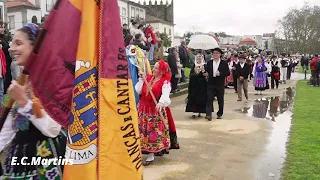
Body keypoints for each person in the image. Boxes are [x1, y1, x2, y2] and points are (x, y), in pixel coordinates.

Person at [0, 23, 66, 179]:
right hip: (17, 160)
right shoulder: (18, 84)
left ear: (35, 48)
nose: (11, 48)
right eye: (12, 43)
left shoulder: (52, 82)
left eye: (19, 43)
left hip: (44, 159)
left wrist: (24, 102)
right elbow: (8, 129)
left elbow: (52, 129)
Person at [135, 60, 179, 166]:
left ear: (162, 71)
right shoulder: (148, 78)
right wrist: (141, 79)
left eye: (156, 68)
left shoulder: (165, 82)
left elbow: (165, 95)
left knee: (152, 133)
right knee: (142, 131)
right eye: (154, 67)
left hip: (154, 111)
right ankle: (141, 150)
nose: (154, 69)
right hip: (143, 109)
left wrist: (161, 103)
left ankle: (151, 155)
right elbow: (138, 90)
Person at [204, 47, 230, 120]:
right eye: (214, 53)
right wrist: (205, 73)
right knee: (209, 98)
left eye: (217, 53)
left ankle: (220, 113)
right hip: (211, 83)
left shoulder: (224, 63)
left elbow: (227, 73)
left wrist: (220, 73)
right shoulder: (209, 63)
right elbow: (206, 71)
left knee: (220, 99)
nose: (215, 54)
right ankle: (208, 114)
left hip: (220, 83)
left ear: (220, 54)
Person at [186, 53, 210, 118]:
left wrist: (204, 71)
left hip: (202, 85)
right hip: (194, 85)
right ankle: (194, 111)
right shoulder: (194, 65)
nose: (199, 59)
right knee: (194, 98)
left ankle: (200, 111)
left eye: (200, 58)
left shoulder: (204, 65)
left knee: (201, 98)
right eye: (198, 58)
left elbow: (207, 75)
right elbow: (191, 75)